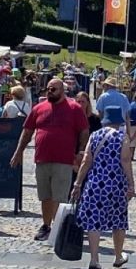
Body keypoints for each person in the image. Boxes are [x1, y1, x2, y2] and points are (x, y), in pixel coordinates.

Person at [10, 77, 89, 243]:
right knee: (45, 196)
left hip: (64, 160)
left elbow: (84, 131)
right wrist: (18, 152)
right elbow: (27, 131)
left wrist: (81, 152)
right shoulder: (39, 108)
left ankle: (59, 229)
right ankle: (46, 226)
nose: (50, 92)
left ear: (62, 91)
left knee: (60, 197)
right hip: (42, 159)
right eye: (48, 89)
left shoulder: (74, 108)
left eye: (53, 89)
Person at [71, 104, 134, 269]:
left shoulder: (95, 136)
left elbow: (86, 161)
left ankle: (94, 259)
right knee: (118, 220)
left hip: (95, 183)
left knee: (94, 221)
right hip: (116, 184)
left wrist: (78, 183)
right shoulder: (122, 137)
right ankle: (118, 256)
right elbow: (125, 161)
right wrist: (131, 183)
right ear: (119, 121)